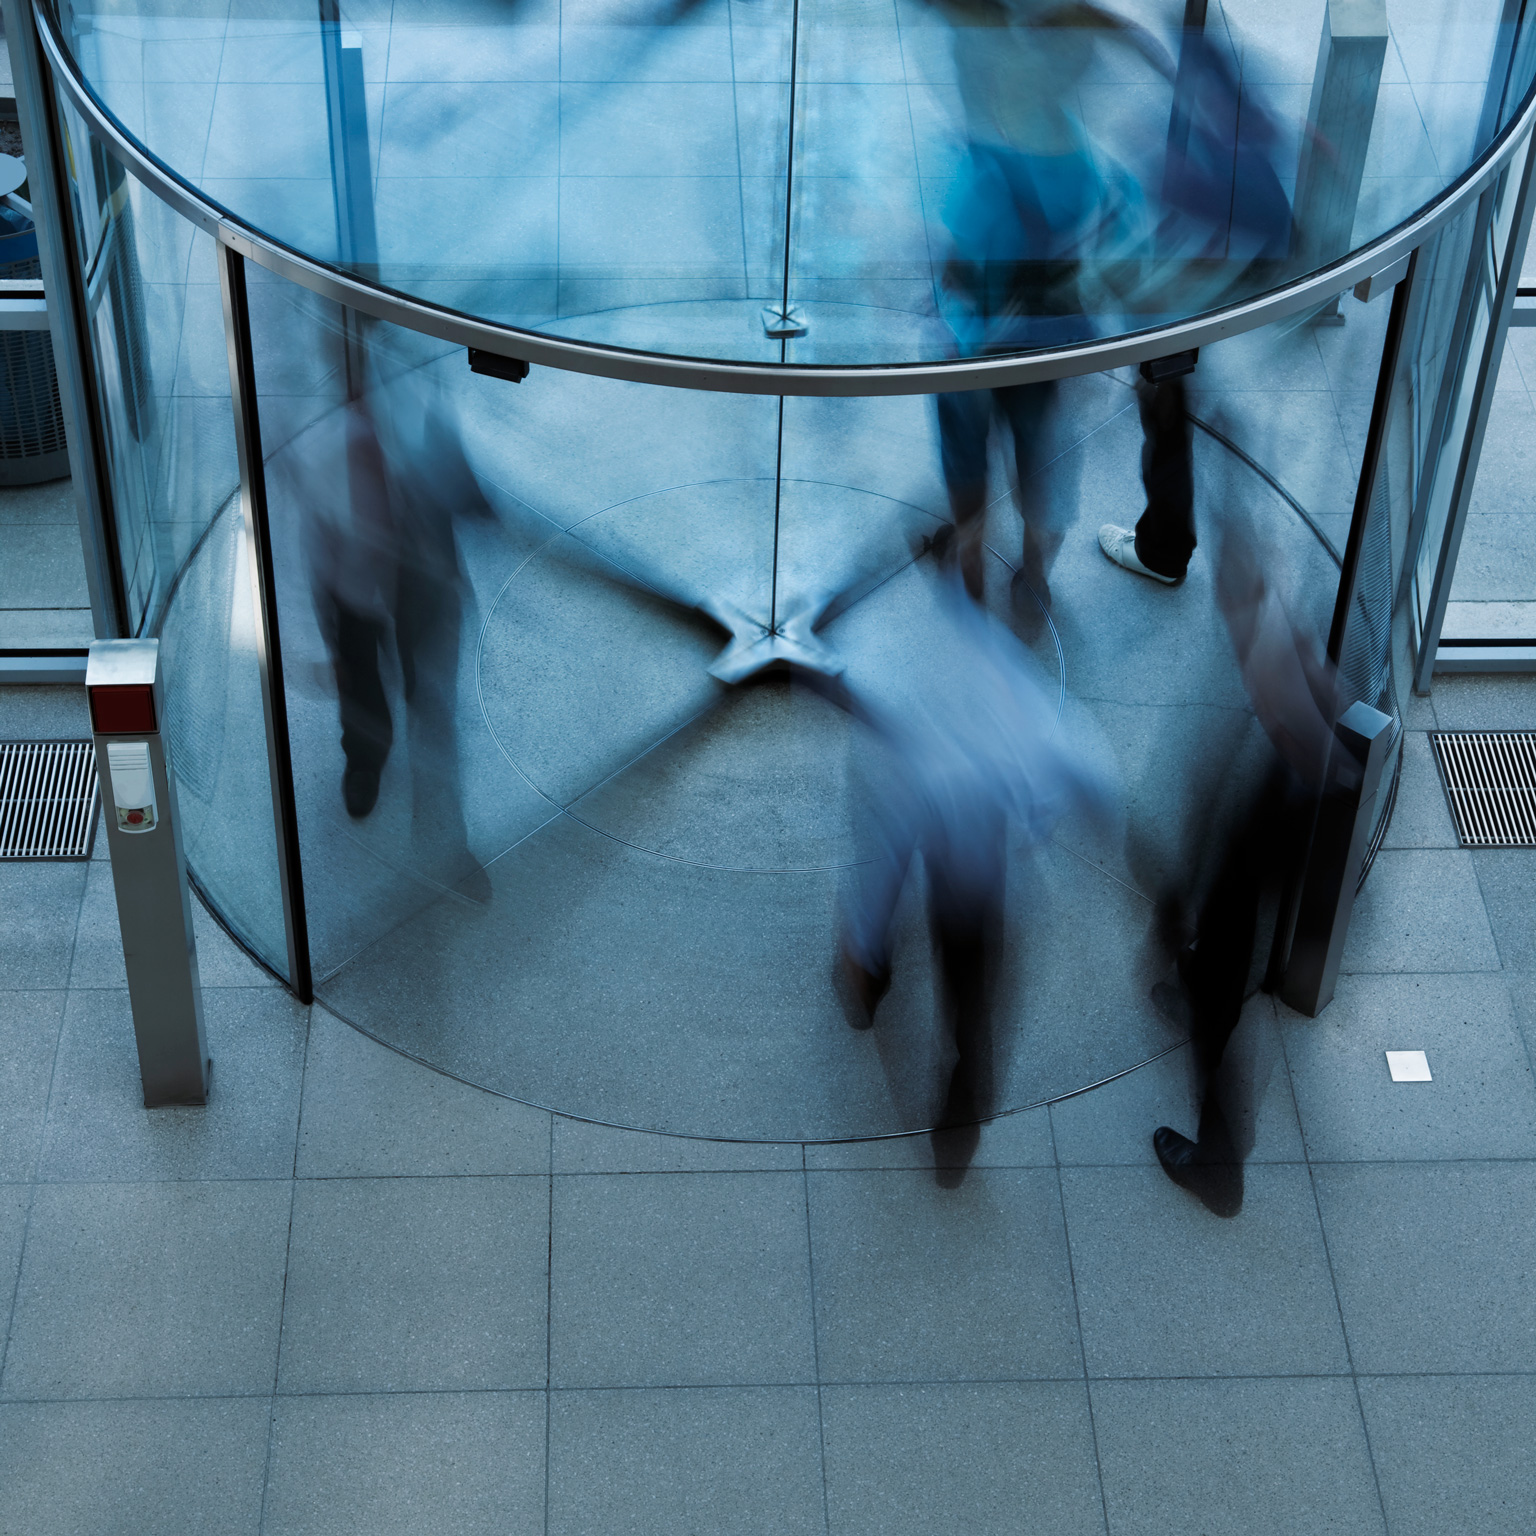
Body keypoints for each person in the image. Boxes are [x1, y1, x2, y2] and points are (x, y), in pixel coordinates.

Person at [839, 572, 1113, 1182]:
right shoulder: (1023, 698)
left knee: (956, 966)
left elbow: (893, 842)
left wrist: (864, 935)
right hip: (1002, 886)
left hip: (961, 878)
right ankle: (963, 1112)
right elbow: (1088, 773)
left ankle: (873, 984)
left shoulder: (939, 711)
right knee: (976, 1004)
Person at [1150, 527, 1337, 1215]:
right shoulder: (1271, 637)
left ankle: (1219, 1168)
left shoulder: (1272, 662)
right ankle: (1202, 991)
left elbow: (1233, 795)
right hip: (1272, 821)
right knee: (1219, 952)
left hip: (1273, 836)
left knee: (1222, 1017)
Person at [296, 368, 495, 896]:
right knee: (362, 693)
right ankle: (365, 761)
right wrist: (328, 645)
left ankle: (444, 846)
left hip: (423, 595)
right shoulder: (324, 456)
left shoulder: (425, 418)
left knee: (434, 715)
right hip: (356, 601)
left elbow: (467, 495)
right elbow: (313, 559)